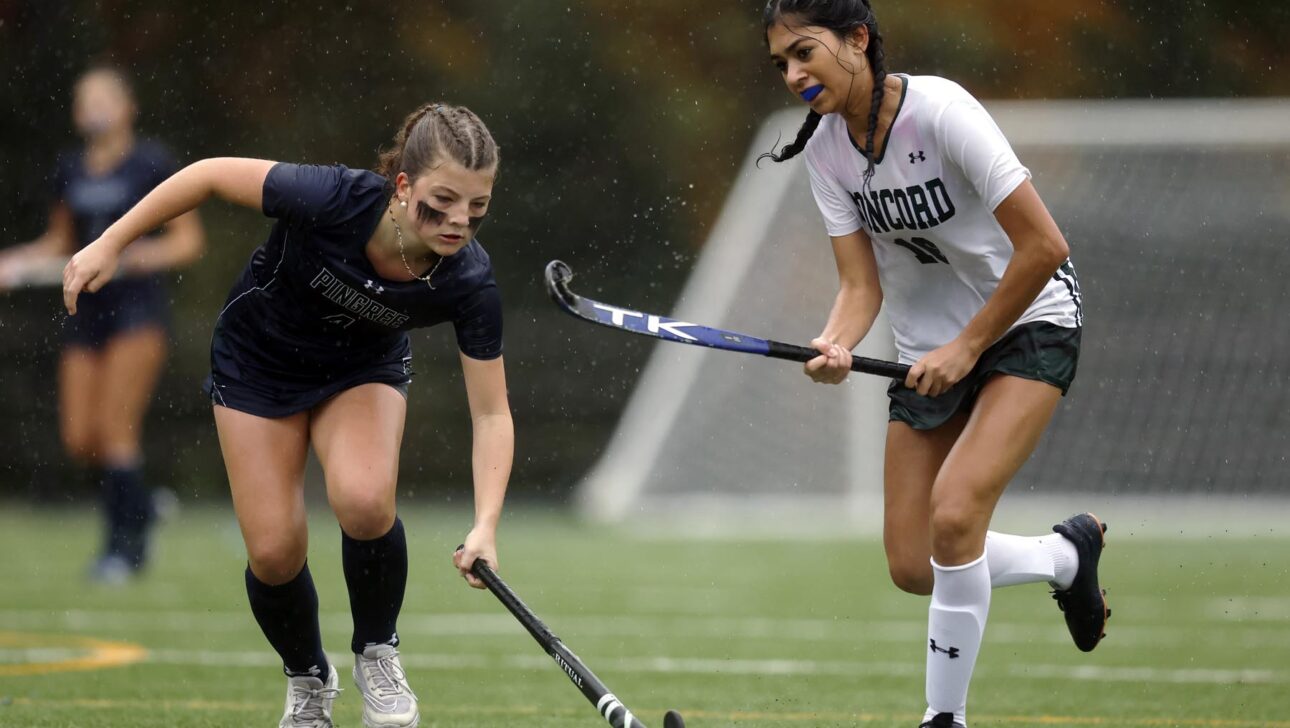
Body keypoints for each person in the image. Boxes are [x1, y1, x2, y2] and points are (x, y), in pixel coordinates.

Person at [62, 102, 514, 728]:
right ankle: (308, 680)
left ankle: (377, 654)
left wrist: (486, 523)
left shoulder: (469, 281)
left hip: (360, 371)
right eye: (443, 200)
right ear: (403, 185)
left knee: (363, 499)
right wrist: (111, 242)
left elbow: (491, 413)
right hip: (257, 362)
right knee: (274, 552)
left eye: (478, 206)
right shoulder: (333, 198)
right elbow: (210, 174)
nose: (460, 222)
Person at [761, 2, 1108, 726]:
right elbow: (861, 286)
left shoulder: (943, 112)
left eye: (805, 53)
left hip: (1025, 322)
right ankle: (1063, 558)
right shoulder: (826, 152)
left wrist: (970, 345)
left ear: (858, 39)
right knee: (915, 564)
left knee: (954, 518)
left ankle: (941, 719)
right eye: (782, 64)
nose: (794, 75)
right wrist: (837, 344)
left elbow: (1044, 247)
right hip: (929, 354)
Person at [0, 65, 204, 583]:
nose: (93, 108)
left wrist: (137, 255)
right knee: (79, 438)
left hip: (136, 312)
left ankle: (122, 550)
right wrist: (16, 262)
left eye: (103, 98)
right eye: (84, 99)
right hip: (84, 311)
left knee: (116, 430)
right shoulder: (70, 167)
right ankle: (141, 505)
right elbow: (60, 242)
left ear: (127, 107)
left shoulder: (150, 163)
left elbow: (188, 241)